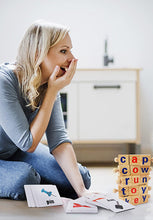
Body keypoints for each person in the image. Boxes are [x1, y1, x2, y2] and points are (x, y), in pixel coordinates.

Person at [0, 20, 91, 200]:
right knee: (25, 178)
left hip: (15, 152)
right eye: (63, 51)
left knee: (82, 178)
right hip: (22, 148)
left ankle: (32, 182)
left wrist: (83, 192)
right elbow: (28, 143)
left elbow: (58, 140)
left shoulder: (47, 83)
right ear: (37, 54)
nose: (72, 58)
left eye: (70, 50)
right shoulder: (4, 81)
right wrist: (52, 92)